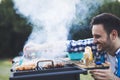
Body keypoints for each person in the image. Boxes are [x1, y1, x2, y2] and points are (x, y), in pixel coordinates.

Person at [23, 13, 120, 80]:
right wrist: (38, 47)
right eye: (93, 36)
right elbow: (68, 45)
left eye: (98, 36)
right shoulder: (99, 46)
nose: (94, 41)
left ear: (114, 35)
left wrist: (113, 79)